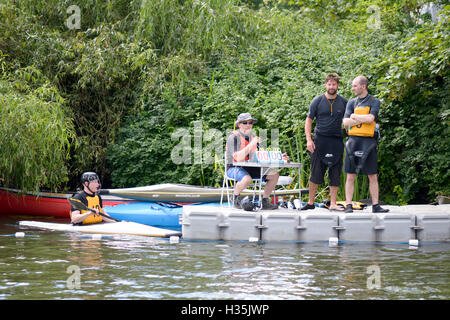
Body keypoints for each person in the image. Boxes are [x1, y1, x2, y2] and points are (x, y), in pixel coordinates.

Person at [301, 73, 348, 211]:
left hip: (337, 141)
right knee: (315, 173)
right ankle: (310, 203)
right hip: (319, 141)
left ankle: (333, 203)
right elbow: (308, 120)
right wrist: (309, 139)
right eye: (329, 84)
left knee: (335, 173)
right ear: (325, 84)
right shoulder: (317, 101)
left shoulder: (344, 102)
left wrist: (351, 135)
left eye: (334, 84)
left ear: (337, 85)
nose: (331, 87)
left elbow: (348, 122)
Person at [342, 76, 389, 213]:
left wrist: (354, 117)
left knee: (372, 175)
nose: (352, 88)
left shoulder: (374, 101)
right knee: (350, 176)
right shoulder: (351, 102)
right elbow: (345, 123)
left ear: (363, 86)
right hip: (353, 141)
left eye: (355, 85)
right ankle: (349, 205)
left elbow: (371, 118)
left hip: (368, 142)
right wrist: (361, 119)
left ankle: (375, 205)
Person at [225, 113, 287, 210]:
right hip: (234, 167)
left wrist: (278, 157)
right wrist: (252, 144)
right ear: (239, 124)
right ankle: (235, 198)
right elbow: (238, 158)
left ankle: (265, 201)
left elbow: (262, 155)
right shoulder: (233, 138)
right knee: (246, 179)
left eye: (250, 122)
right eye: (245, 123)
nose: (248, 125)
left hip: (250, 167)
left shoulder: (252, 137)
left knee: (274, 175)